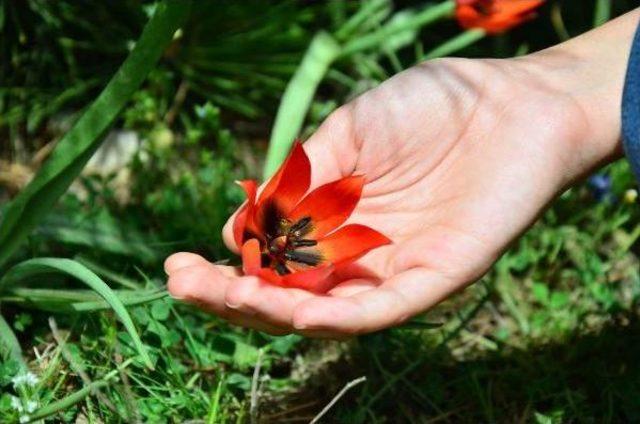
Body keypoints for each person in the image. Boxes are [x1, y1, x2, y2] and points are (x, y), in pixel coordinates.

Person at [165, 8, 640, 338]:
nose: (283, 241)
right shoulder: (279, 229)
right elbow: (267, 209)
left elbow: (341, 245)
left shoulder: (301, 243)